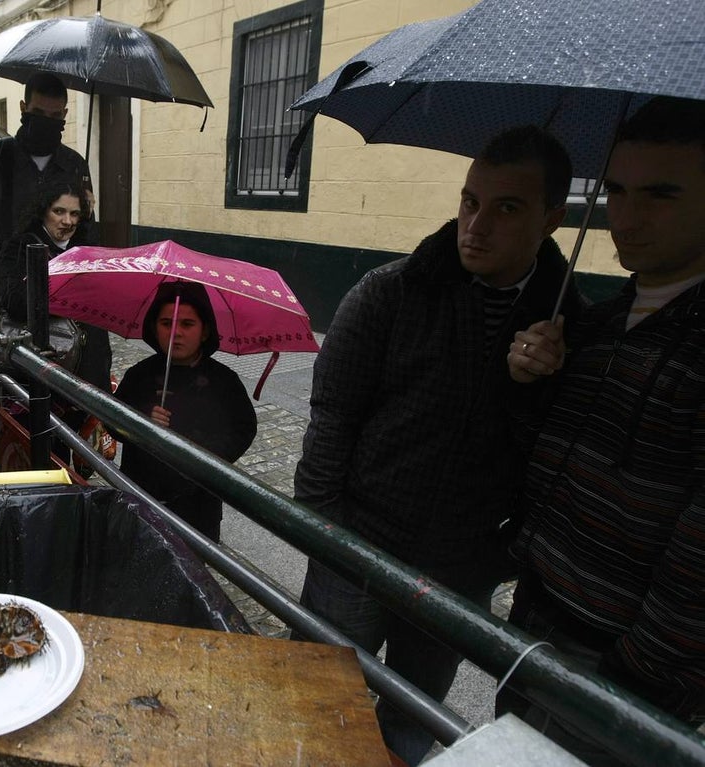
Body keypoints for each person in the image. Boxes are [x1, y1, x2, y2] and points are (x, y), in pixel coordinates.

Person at [292, 125, 583, 765]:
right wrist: (327, 539)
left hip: (457, 576)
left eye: (507, 208)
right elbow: (330, 424)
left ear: (553, 218)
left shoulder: (570, 330)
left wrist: (532, 389)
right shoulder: (389, 294)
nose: (476, 226)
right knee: (308, 706)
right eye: (469, 201)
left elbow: (553, 468)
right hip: (357, 550)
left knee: (411, 722)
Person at [502, 97, 705, 763]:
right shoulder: (596, 324)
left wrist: (634, 671)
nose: (626, 215)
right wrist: (531, 382)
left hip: (619, 666)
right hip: (540, 617)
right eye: (615, 189)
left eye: (661, 194)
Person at [114, 281, 257, 543]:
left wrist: (205, 455)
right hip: (141, 494)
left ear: (205, 332)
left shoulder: (224, 381)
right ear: (154, 326)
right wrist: (140, 420)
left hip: (198, 502)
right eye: (166, 323)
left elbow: (244, 428)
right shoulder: (139, 375)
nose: (176, 333)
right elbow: (113, 421)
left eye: (187, 325)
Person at [0, 72, 92, 327]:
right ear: (23, 108)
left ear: (64, 115)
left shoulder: (74, 164)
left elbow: (85, 227)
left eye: (55, 117)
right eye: (39, 113)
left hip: (55, 295)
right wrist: (2, 259)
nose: (46, 122)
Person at [0, 182, 114, 460]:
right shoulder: (22, 245)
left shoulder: (88, 249)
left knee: (82, 451)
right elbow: (14, 300)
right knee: (48, 451)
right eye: (59, 211)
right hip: (47, 365)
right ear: (43, 211)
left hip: (86, 369)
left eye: (75, 214)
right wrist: (67, 293)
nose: (67, 221)